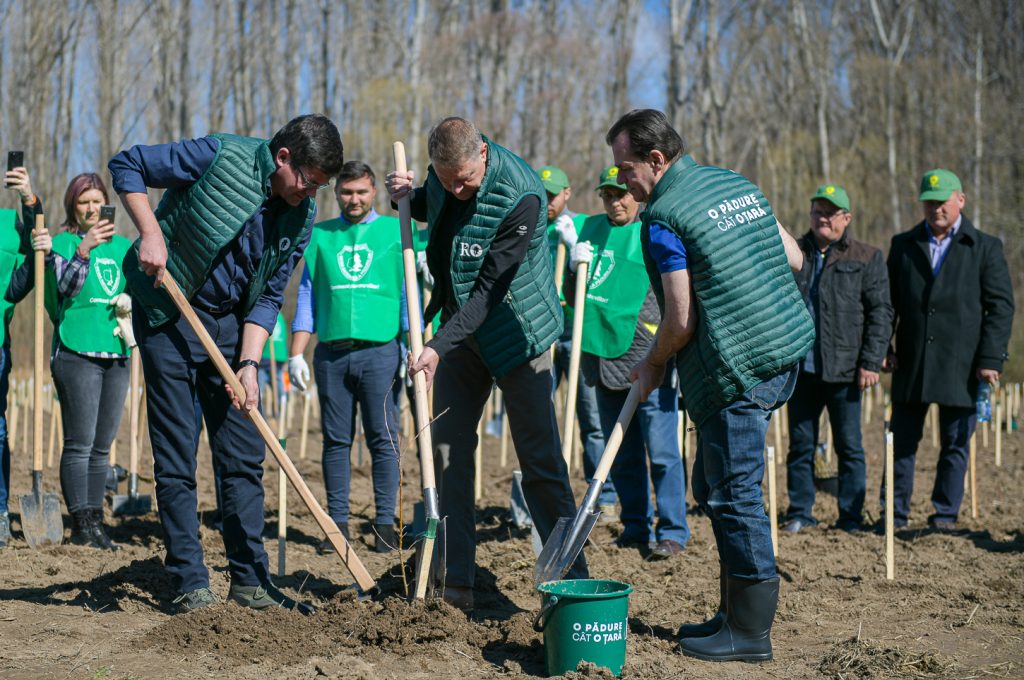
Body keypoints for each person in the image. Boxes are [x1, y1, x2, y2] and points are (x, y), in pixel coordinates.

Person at [109, 113, 344, 614]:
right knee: (176, 455)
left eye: (320, 186)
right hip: (168, 311)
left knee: (242, 454)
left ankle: (250, 579)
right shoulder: (221, 155)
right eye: (308, 181)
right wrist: (150, 232)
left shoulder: (301, 215)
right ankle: (190, 579)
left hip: (229, 326)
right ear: (283, 158)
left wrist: (249, 364)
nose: (311, 194)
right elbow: (127, 164)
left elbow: (270, 294)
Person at [609, 109, 812, 662]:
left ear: (656, 159)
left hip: (738, 366)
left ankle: (750, 635)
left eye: (625, 168)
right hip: (786, 349)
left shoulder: (664, 218)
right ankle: (732, 613)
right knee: (713, 482)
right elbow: (794, 257)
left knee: (732, 492)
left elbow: (680, 321)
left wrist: (651, 364)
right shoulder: (733, 182)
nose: (621, 180)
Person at [385, 117, 588, 612]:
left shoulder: (521, 195)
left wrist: (435, 345)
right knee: (448, 450)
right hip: (461, 335)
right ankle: (456, 581)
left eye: (464, 180)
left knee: (539, 462)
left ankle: (571, 584)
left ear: (483, 152)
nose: (455, 189)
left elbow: (490, 292)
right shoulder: (445, 176)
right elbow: (432, 213)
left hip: (518, 335)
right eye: (444, 178)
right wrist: (404, 199)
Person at [566, 166, 687, 558]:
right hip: (600, 355)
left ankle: (672, 530)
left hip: (649, 356)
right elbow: (577, 297)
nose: (615, 202)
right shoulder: (590, 230)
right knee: (620, 451)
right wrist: (572, 266)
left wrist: (665, 352)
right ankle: (635, 525)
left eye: (621, 194)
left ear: (635, 193)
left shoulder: (655, 228)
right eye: (607, 195)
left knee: (663, 451)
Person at [883, 169, 1013, 531]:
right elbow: (888, 304)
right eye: (929, 201)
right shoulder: (903, 244)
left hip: (963, 365)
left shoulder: (985, 247)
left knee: (955, 445)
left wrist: (990, 359)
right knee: (903, 442)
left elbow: (1000, 307)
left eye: (942, 202)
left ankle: (943, 516)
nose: (935, 208)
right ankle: (894, 513)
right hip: (912, 361)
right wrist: (883, 347)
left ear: (960, 200)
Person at [288, 160, 403, 555]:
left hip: (381, 350)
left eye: (361, 192)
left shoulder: (395, 231)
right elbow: (307, 294)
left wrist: (410, 345)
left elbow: (407, 294)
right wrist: (296, 353)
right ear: (336, 193)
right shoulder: (319, 237)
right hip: (332, 355)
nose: (354, 199)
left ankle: (385, 525)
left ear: (373, 193)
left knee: (384, 439)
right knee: (336, 442)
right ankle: (336, 525)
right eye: (346, 192)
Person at [26, 173, 133, 550]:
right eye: (83, 201)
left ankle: (97, 523)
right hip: (76, 353)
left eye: (97, 200)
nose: (91, 208)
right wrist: (84, 249)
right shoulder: (62, 243)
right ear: (73, 204)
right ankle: (82, 523)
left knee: (103, 446)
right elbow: (66, 287)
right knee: (80, 443)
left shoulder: (123, 248)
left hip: (117, 352)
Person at [782, 185, 891, 533]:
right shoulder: (794, 252)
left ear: (847, 218)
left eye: (831, 212)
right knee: (800, 444)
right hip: (801, 368)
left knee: (850, 446)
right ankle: (800, 511)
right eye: (817, 211)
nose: (823, 218)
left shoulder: (866, 256)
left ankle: (850, 516)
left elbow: (881, 313)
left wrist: (871, 361)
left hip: (846, 370)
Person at [538, 165, 614, 517]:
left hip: (580, 331)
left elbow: (599, 274)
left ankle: (604, 495)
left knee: (591, 418)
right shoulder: (532, 225)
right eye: (543, 194)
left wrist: (574, 246)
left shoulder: (584, 226)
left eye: (553, 195)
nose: (548, 202)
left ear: (567, 193)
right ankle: (549, 491)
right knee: (540, 415)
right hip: (543, 333)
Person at [0, 163, 44, 548]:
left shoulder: (7, 225)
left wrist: (29, 197)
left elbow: (26, 272)